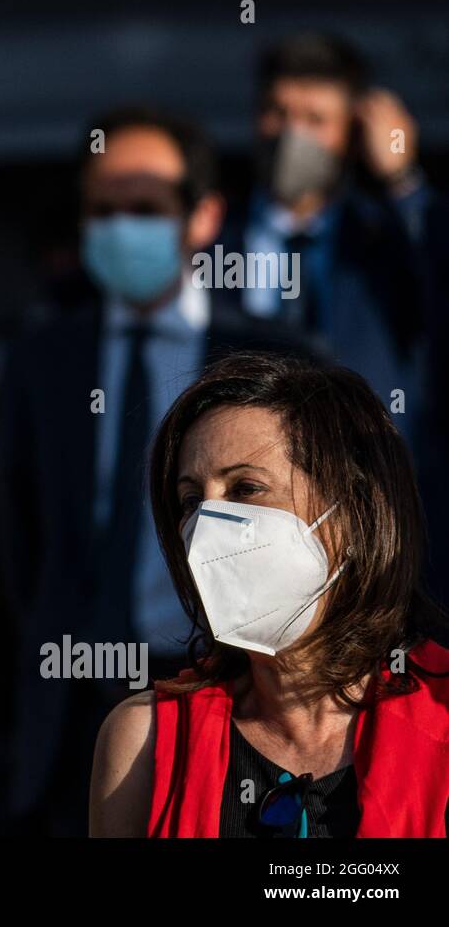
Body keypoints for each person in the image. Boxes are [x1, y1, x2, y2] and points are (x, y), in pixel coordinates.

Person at [0, 105, 314, 836]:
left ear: (202, 216)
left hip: (230, 694)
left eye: (145, 206)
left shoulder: (274, 360)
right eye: (102, 207)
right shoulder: (42, 357)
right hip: (73, 704)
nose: (119, 226)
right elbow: (18, 526)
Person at [90, 352, 449, 837]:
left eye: (245, 488)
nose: (205, 527)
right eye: (191, 500)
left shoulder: (441, 717)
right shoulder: (144, 742)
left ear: (350, 513)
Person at [217, 33, 432, 445]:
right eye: (276, 112)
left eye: (315, 120)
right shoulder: (210, 239)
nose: (292, 134)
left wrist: (401, 181)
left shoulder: (385, 241)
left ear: (352, 134)